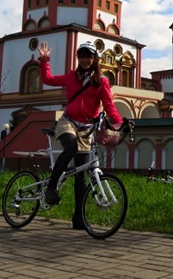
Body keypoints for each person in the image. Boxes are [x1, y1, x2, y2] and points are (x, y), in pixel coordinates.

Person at [37, 40, 127, 230]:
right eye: (82, 55)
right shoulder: (71, 77)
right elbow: (48, 79)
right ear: (78, 58)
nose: (85, 59)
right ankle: (51, 188)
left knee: (81, 175)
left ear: (95, 59)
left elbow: (109, 104)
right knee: (70, 147)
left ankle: (78, 218)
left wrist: (119, 123)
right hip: (68, 121)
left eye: (89, 56)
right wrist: (44, 60)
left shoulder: (101, 81)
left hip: (86, 128)